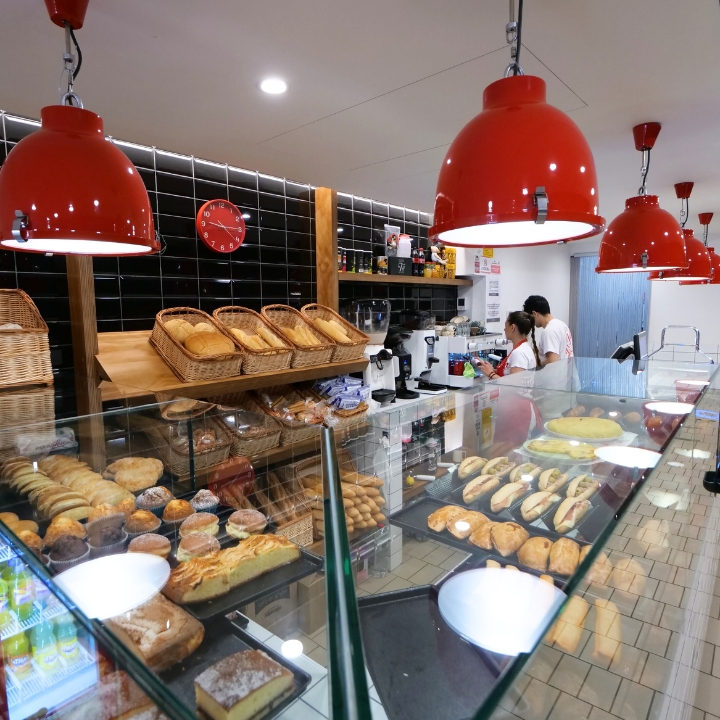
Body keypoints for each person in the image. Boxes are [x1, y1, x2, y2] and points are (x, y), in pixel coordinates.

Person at [476, 311, 541, 378]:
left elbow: (513, 385)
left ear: (512, 327)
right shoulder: (523, 348)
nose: (504, 329)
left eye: (506, 326)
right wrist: (488, 369)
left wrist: (491, 374)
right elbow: (509, 373)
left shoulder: (519, 353)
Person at [523, 295, 574, 365]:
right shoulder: (562, 325)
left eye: (530, 318)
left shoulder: (549, 330)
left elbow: (552, 361)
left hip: (556, 375)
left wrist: (536, 367)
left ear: (534, 314)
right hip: (566, 373)